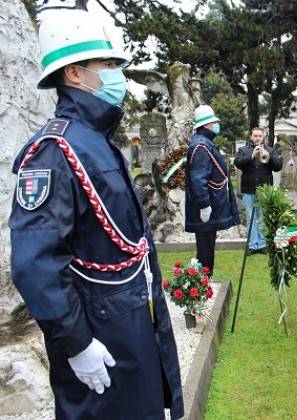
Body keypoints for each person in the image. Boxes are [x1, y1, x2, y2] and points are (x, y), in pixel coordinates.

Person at [8, 10, 183, 419]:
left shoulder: (96, 141)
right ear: (74, 74)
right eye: (109, 65)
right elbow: (36, 263)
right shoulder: (54, 152)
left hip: (128, 323)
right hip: (100, 333)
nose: (118, 75)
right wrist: (77, 344)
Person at [185, 105, 240, 273]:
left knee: (207, 247)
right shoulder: (201, 146)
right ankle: (202, 283)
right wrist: (204, 205)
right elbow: (198, 179)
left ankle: (203, 282)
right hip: (207, 206)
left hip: (211, 204)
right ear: (206, 125)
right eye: (214, 122)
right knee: (205, 249)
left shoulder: (204, 143)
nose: (217, 125)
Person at [233, 127, 283, 255]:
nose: (257, 138)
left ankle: (261, 244)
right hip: (249, 190)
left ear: (263, 137)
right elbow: (237, 163)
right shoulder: (243, 150)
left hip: (264, 191)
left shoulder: (270, 150)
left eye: (260, 136)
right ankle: (252, 245)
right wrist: (252, 156)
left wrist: (268, 156)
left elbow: (278, 166)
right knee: (250, 218)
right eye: (255, 136)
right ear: (251, 137)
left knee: (261, 218)